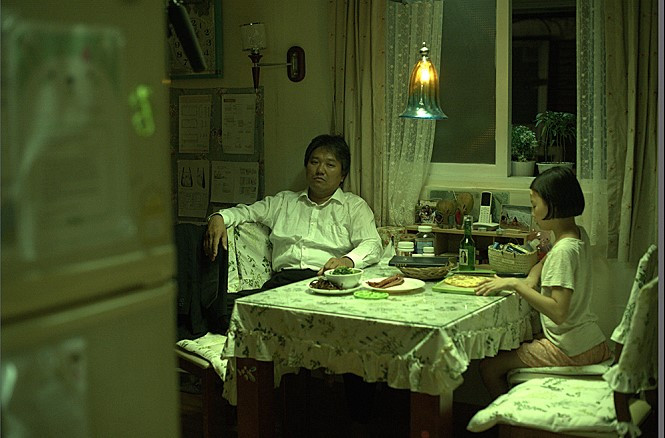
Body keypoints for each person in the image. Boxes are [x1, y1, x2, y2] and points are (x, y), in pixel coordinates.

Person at [474, 166, 611, 399]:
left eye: (534, 205)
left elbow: (558, 312)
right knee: (525, 339)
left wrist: (515, 284)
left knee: (489, 367)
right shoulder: (576, 234)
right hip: (590, 341)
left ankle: (508, 417)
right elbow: (545, 261)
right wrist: (532, 277)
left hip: (571, 349)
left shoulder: (563, 252)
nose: (533, 212)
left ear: (553, 205)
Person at [203, 134, 383, 292]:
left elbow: (372, 244)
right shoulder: (283, 202)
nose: (320, 170)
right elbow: (247, 212)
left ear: (342, 175)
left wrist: (346, 261)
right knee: (227, 308)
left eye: (330, 165)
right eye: (314, 162)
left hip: (325, 282)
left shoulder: (354, 207)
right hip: (281, 282)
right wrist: (219, 217)